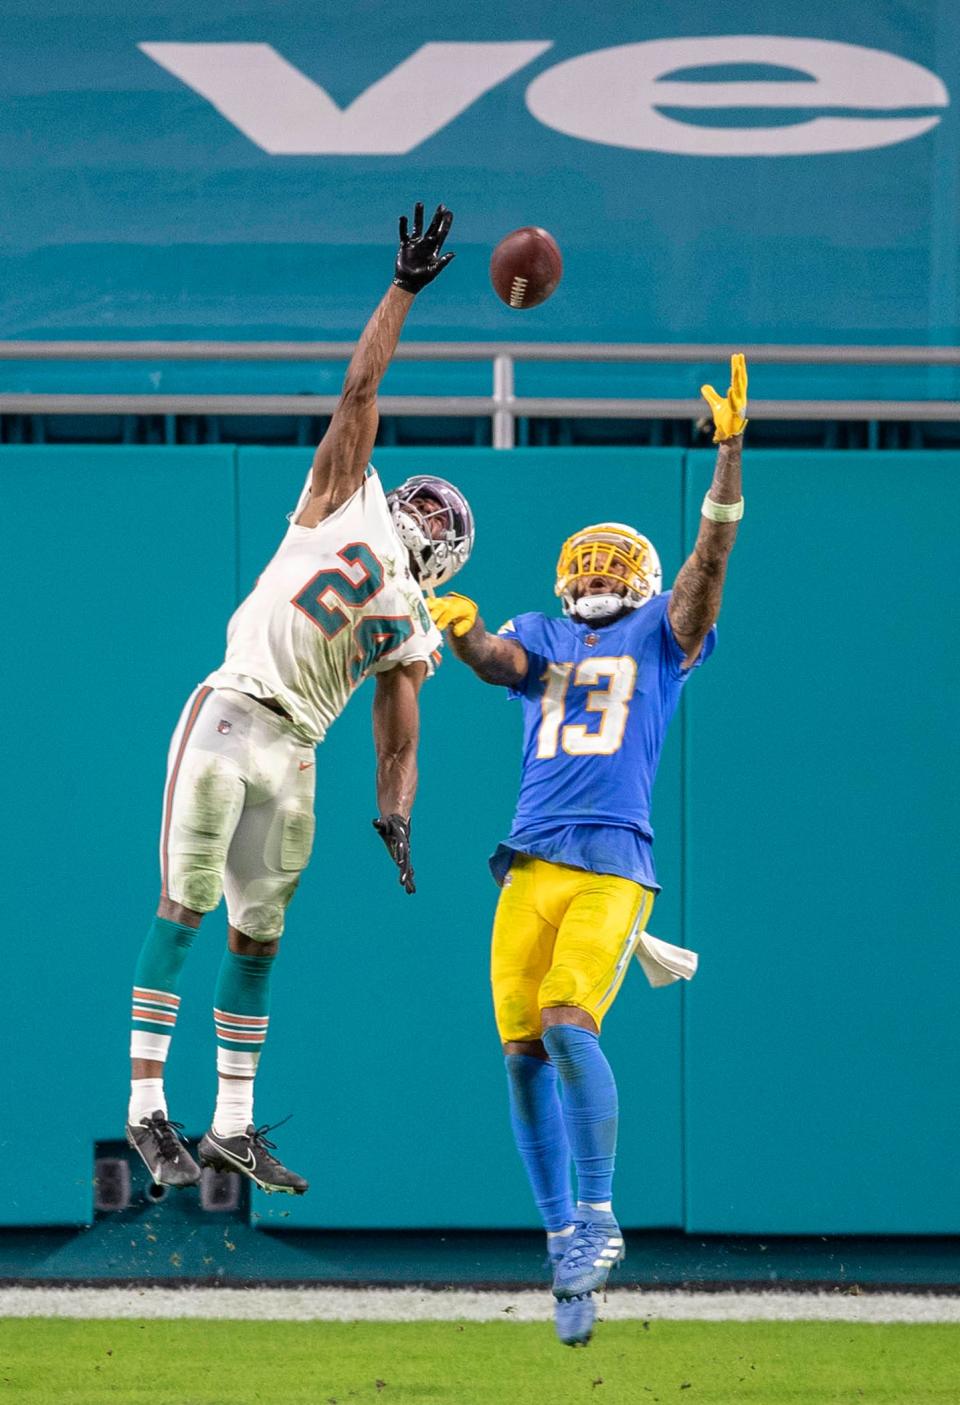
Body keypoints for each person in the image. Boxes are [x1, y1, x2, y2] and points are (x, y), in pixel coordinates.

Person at [126, 202, 473, 1195]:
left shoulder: (409, 608)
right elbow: (363, 384)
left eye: (436, 513)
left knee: (254, 934)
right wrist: (402, 289)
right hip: (238, 709)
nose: (423, 512)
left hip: (297, 751)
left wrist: (396, 815)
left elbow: (398, 736)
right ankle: (147, 1104)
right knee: (188, 902)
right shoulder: (343, 494)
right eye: (427, 502)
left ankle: (231, 1121)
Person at [427, 356, 747, 1345]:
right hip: (528, 861)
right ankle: (565, 1244)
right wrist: (471, 628)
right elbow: (500, 664)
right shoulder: (542, 634)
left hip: (613, 862)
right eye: (591, 565)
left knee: (569, 1020)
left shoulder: (660, 633)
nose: (601, 575)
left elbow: (702, 579)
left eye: (617, 566)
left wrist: (728, 466)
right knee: (520, 1052)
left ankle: (600, 1212)